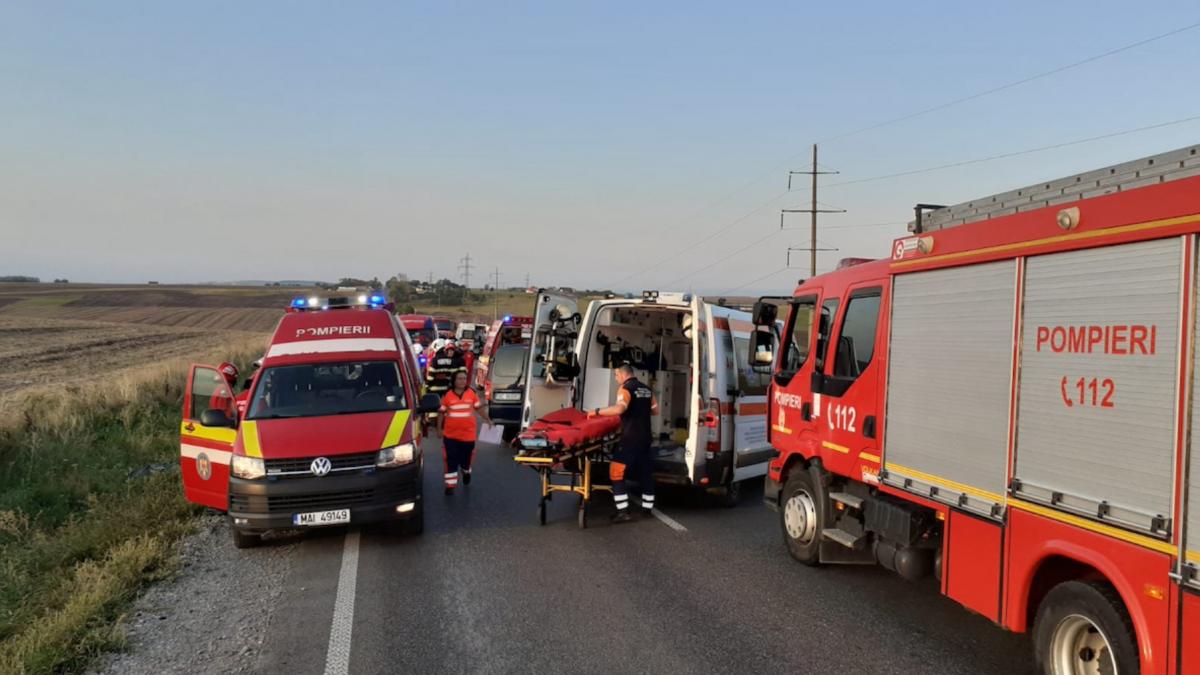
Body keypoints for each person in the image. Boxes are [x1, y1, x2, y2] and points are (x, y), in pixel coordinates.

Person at [587, 364, 658, 523]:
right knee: (645, 474)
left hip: (630, 439)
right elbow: (655, 410)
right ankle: (647, 509)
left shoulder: (625, 389)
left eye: (616, 375)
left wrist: (596, 411)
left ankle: (623, 511)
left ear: (622, 374)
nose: (615, 378)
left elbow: (620, 409)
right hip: (645, 438)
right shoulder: (646, 389)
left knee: (616, 472)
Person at [437, 371, 492, 494]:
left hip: (468, 435)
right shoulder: (447, 395)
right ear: (454, 381)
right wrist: (439, 429)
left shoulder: (471, 393)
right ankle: (450, 486)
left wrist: (487, 419)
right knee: (451, 460)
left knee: (465, 461)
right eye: (460, 378)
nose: (463, 381)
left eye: (464, 378)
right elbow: (441, 413)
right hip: (450, 435)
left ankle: (466, 471)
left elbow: (478, 408)